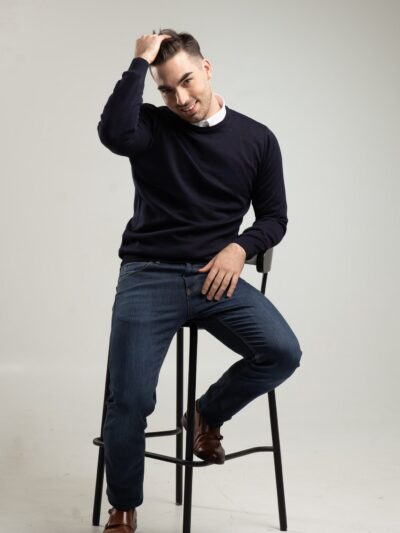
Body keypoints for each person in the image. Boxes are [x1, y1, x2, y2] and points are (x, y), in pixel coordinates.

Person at [97, 28, 303, 533]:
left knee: (282, 352)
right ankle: (124, 508)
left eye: (187, 81)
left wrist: (240, 248)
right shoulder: (150, 125)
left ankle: (206, 415)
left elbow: (274, 218)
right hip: (149, 273)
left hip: (216, 277)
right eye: (167, 89)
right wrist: (140, 61)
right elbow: (113, 134)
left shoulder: (257, 139)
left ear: (207, 68)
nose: (181, 98)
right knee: (130, 399)